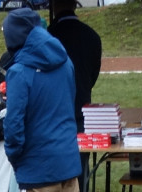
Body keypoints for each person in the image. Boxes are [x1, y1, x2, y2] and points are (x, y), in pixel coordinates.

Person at [2, 8, 81, 192]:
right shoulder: (65, 61)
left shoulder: (20, 72)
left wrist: (15, 155)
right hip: (67, 157)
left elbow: (14, 123)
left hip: (39, 162)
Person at [49, 0, 101, 131]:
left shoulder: (49, 36)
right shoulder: (92, 35)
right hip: (82, 108)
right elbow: (94, 73)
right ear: (75, 5)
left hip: (54, 112)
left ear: (54, 6)